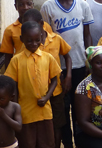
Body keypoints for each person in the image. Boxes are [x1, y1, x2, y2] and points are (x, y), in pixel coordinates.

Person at [41, 0, 94, 148]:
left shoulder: (82, 5)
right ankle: (67, 143)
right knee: (62, 109)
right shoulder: (48, 7)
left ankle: (81, 143)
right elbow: (45, 37)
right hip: (58, 68)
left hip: (80, 65)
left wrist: (89, 59)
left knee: (79, 108)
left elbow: (87, 35)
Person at [5, 21, 60, 148]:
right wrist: (16, 106)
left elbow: (55, 80)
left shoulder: (48, 58)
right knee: (28, 143)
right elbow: (13, 85)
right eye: (29, 40)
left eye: (37, 40)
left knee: (46, 142)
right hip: (25, 111)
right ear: (22, 39)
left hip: (44, 111)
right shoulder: (16, 60)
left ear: (41, 37)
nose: (34, 44)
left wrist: (47, 97)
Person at [23, 8, 72, 148]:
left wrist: (68, 75)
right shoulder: (27, 44)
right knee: (41, 124)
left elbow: (67, 56)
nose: (27, 28)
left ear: (40, 23)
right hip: (36, 94)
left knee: (57, 123)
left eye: (30, 24)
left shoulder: (56, 39)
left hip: (55, 91)